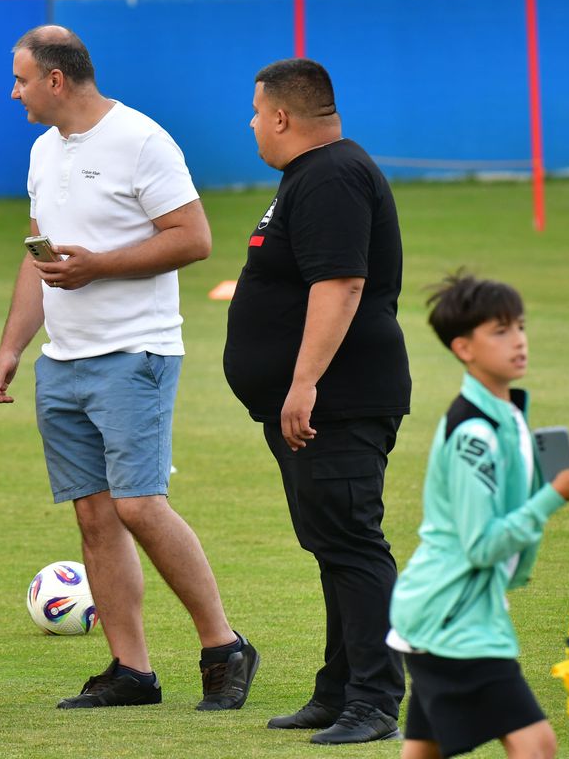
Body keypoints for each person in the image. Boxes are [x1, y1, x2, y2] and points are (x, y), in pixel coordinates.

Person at [0, 25, 259, 711]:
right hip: (63, 362)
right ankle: (131, 671)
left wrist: (98, 267)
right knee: (96, 517)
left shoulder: (142, 139)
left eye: (21, 79)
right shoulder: (43, 151)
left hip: (135, 353)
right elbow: (37, 257)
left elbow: (194, 239)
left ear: (55, 80)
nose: (13, 91)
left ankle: (224, 646)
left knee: (138, 504)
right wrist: (13, 345)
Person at [223, 58, 411, 743]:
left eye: (255, 111)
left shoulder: (332, 174)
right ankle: (338, 691)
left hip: (339, 402)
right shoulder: (311, 176)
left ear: (281, 115)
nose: (251, 124)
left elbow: (341, 285)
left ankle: (374, 701)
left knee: (353, 545)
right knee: (333, 545)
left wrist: (303, 384)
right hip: (316, 405)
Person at [388, 273, 569, 759]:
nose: (519, 341)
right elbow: (483, 544)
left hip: (445, 610)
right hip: (453, 616)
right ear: (464, 348)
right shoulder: (476, 434)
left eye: (520, 327)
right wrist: (555, 494)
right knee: (537, 745)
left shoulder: (507, 414)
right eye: (500, 331)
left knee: (422, 750)